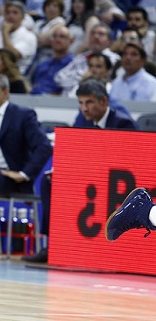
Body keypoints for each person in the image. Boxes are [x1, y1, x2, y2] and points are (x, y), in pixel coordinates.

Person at [25, 79, 137, 263]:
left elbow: (127, 162)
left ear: (103, 102)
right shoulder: (83, 123)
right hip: (90, 178)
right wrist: (64, 171)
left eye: (89, 102)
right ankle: (52, 242)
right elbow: (80, 157)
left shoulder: (124, 124)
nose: (84, 108)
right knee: (48, 182)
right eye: (81, 103)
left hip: (115, 183)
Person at [0, 75, 52, 257]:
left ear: (5, 93)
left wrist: (24, 173)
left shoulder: (21, 115)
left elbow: (44, 146)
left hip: (7, 176)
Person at [30, 25, 74, 95]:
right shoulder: (42, 64)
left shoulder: (73, 65)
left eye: (62, 37)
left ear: (71, 41)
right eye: (54, 36)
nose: (57, 39)